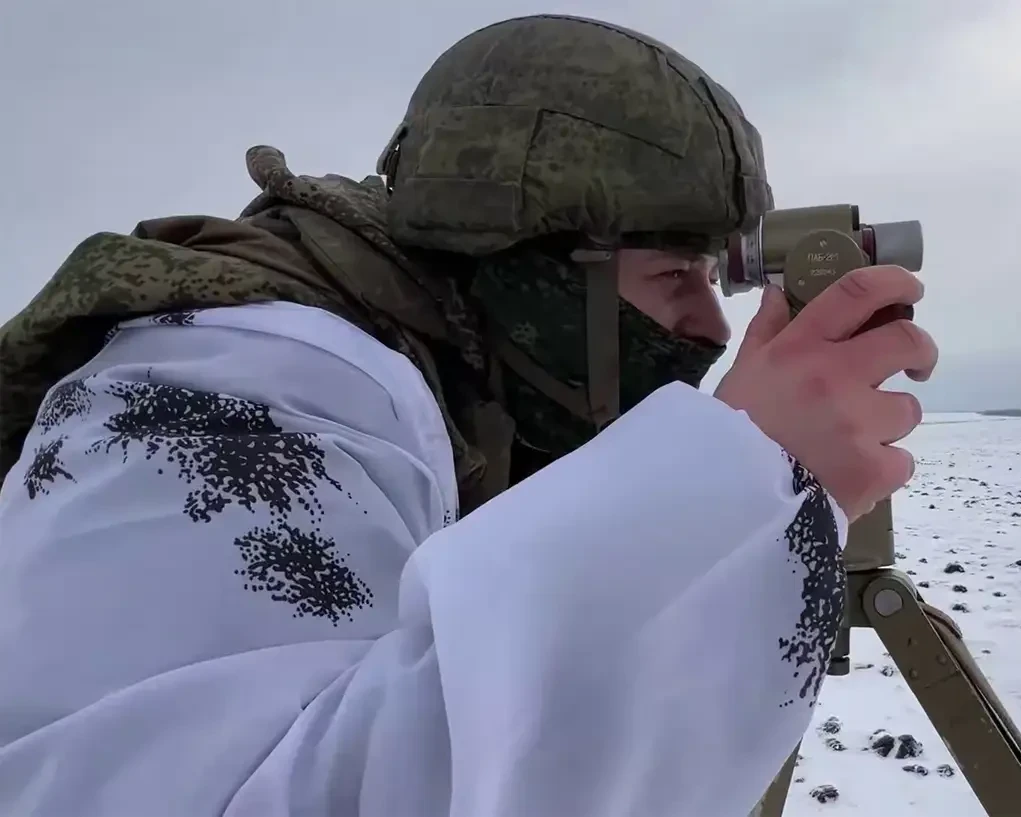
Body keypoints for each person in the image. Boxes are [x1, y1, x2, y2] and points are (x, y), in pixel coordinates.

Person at [0, 14, 936, 817]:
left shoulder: (446, 382)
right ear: (527, 268)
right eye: (671, 274)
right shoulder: (238, 393)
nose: (710, 324)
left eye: (713, 275)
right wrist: (729, 491)